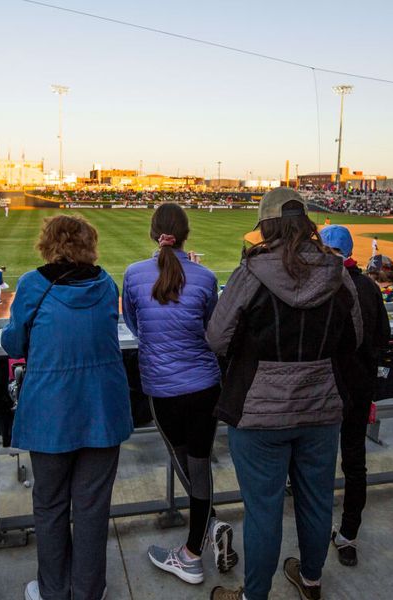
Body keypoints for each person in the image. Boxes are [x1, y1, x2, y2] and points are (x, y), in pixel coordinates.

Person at [206, 188, 362, 600]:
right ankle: (310, 579)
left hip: (259, 412)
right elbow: (356, 336)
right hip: (321, 406)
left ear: (267, 224)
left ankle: (254, 595)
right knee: (316, 500)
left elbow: (216, 338)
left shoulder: (251, 271)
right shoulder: (336, 270)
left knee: (263, 511)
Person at [1, 214, 132, 600]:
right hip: (102, 408)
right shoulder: (106, 282)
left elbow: (13, 344)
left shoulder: (33, 284)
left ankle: (54, 591)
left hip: (51, 411)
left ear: (48, 243)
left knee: (51, 504)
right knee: (92, 507)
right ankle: (88, 590)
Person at [122, 204, 238, 586]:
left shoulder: (134, 274)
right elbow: (213, 328)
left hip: (163, 390)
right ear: (186, 234)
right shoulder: (205, 277)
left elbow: (136, 326)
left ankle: (193, 553)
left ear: (153, 232)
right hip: (204, 387)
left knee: (186, 465)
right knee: (200, 469)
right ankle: (206, 531)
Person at [319, 224, 389, 568]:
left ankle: (315, 535)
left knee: (314, 464)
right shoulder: (368, 287)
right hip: (358, 389)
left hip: (321, 390)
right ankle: (348, 536)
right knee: (354, 462)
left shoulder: (317, 285)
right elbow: (382, 337)